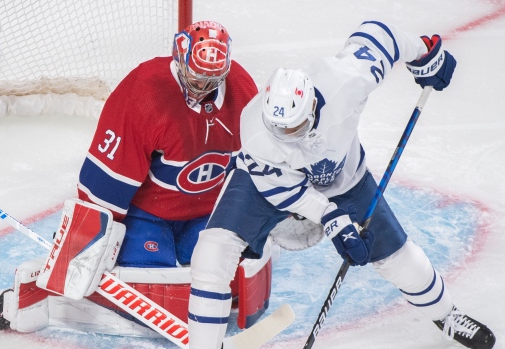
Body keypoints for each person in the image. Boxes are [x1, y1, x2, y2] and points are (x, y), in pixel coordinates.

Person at [187, 20, 496, 349]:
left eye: (291, 131)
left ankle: (446, 315)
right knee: (213, 251)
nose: (284, 141)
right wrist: (332, 219)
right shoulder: (258, 133)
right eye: (277, 130)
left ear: (311, 110)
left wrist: (424, 53)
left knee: (397, 254)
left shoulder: (344, 81)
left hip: (343, 178)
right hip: (268, 182)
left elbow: (380, 36)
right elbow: (286, 190)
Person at [0, 20, 269, 338]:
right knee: (152, 286)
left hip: (207, 210)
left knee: (223, 279)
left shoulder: (242, 90)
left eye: (212, 80)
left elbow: (255, 167)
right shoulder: (144, 94)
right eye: (196, 78)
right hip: (147, 215)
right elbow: (105, 183)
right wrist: (84, 244)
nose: (203, 88)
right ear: (178, 58)